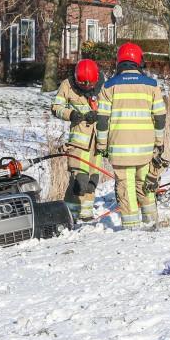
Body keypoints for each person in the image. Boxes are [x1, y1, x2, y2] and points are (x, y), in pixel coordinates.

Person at [97, 43, 167, 228]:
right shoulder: (152, 85)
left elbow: (102, 121)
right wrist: (158, 142)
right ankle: (151, 220)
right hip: (145, 149)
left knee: (126, 187)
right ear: (139, 62)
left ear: (120, 61)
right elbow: (160, 117)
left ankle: (131, 227)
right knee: (145, 183)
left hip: (120, 150)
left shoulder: (108, 86)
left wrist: (101, 146)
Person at [50, 58, 103, 221]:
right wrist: (71, 114)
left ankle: (86, 213)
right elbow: (56, 107)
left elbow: (110, 107)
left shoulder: (103, 85)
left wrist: (99, 115)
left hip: (98, 141)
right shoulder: (67, 85)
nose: (88, 87)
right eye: (84, 85)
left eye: (90, 85)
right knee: (79, 180)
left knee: (92, 179)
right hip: (79, 143)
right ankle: (69, 214)